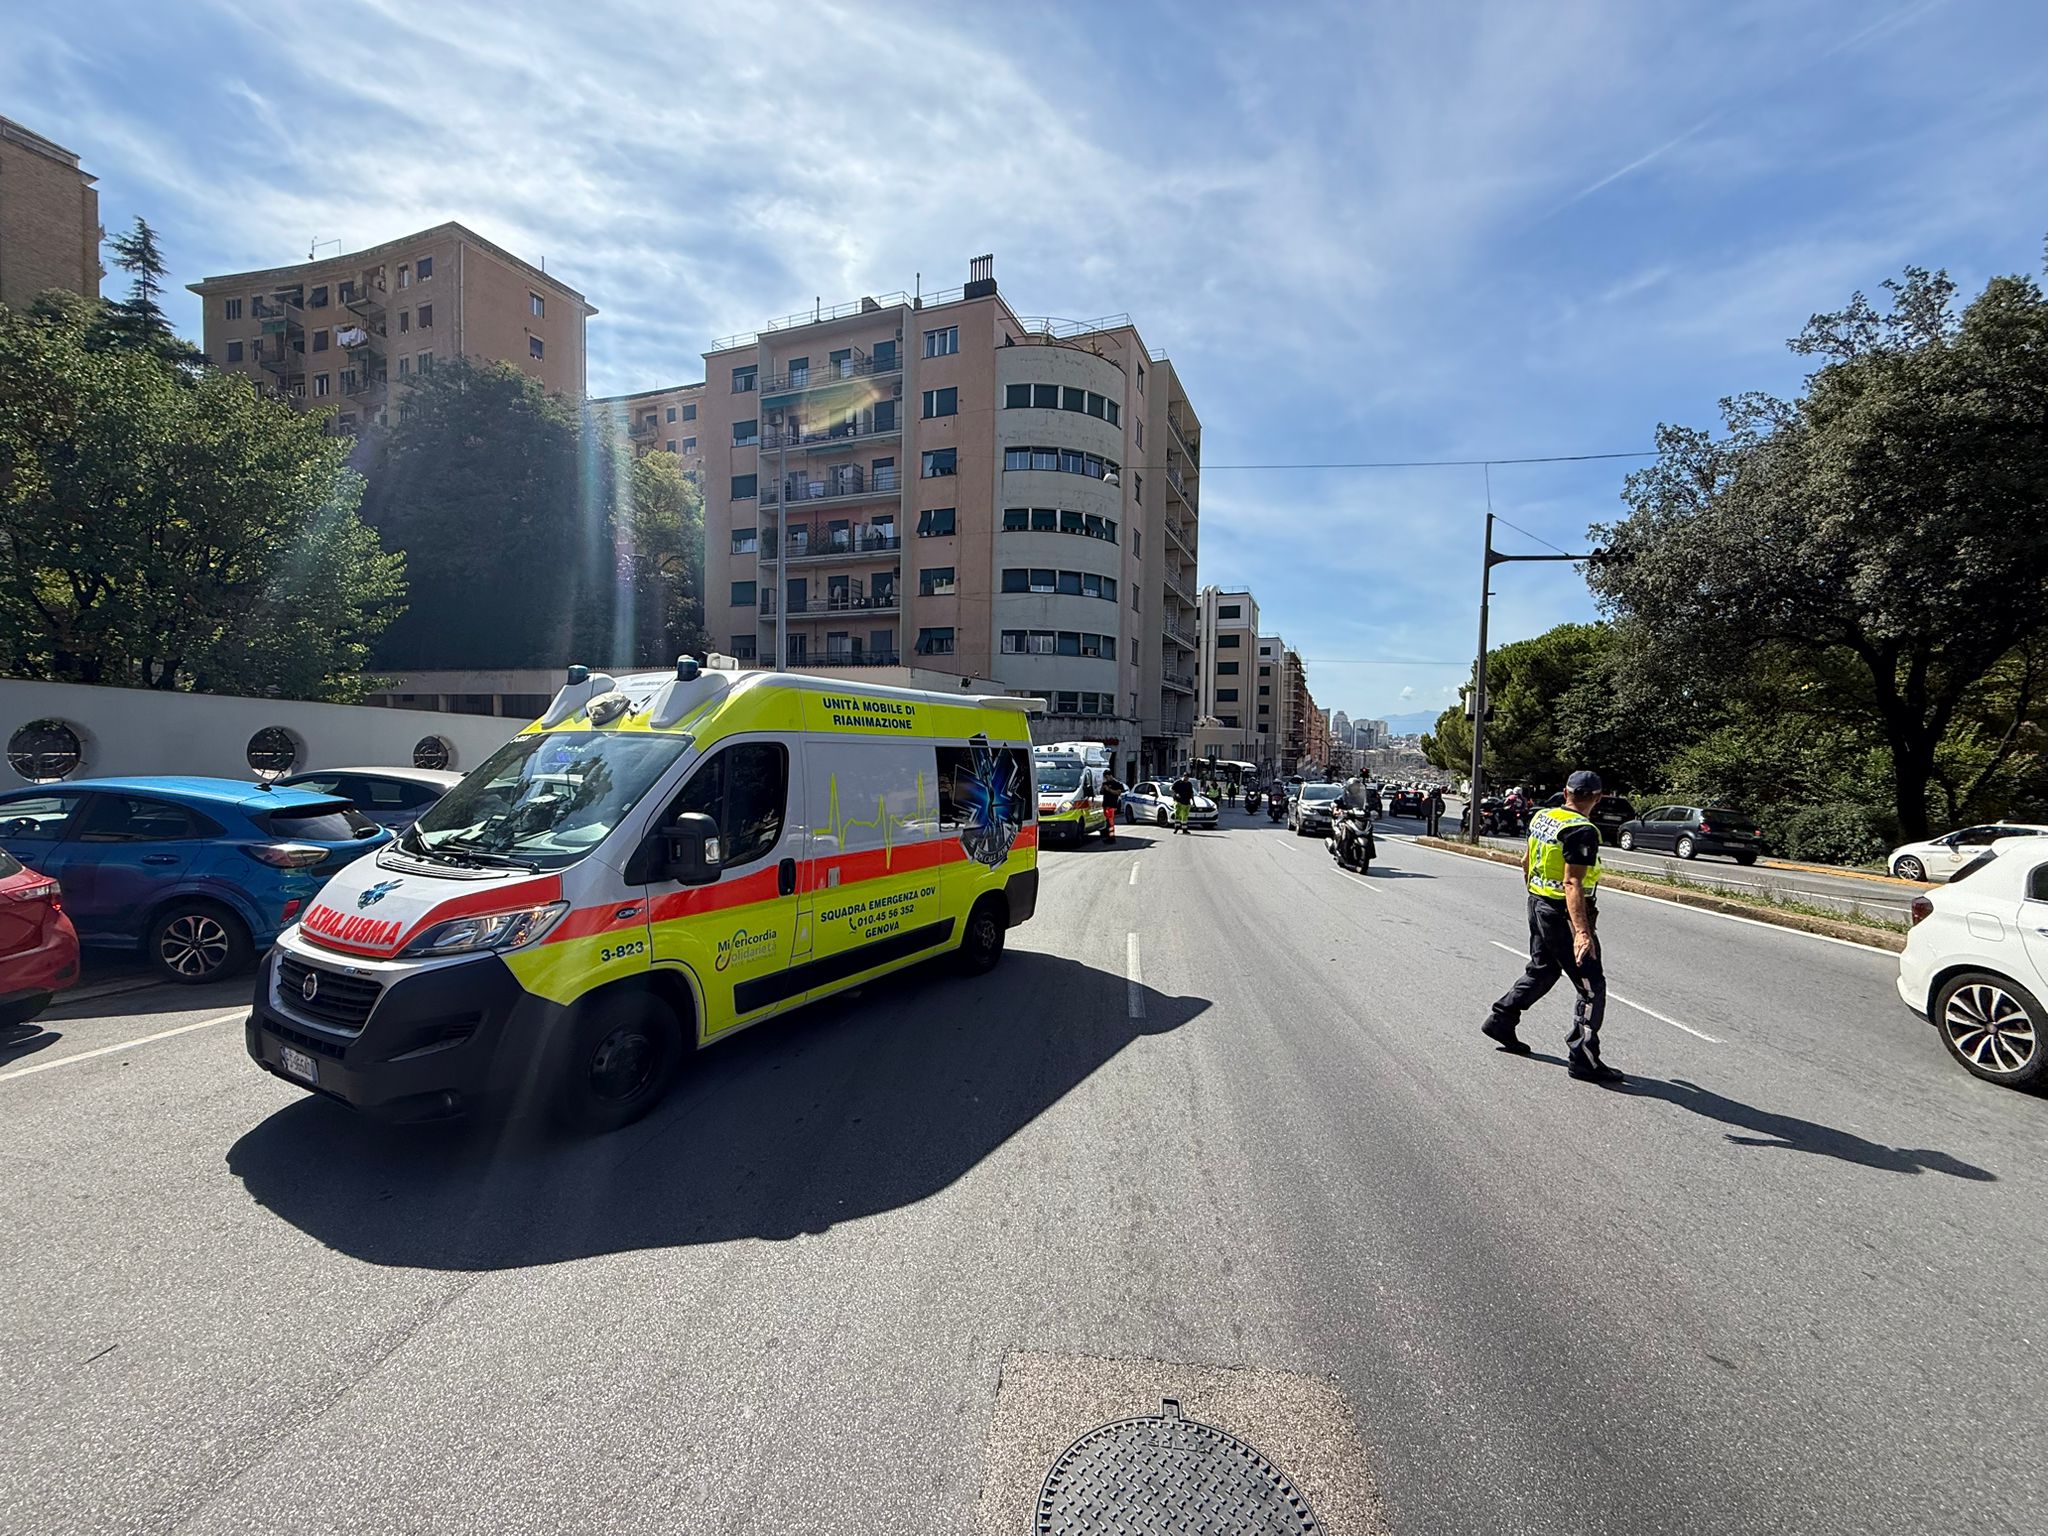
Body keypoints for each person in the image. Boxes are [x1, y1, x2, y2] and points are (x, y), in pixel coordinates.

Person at [1482, 769, 1622, 1084]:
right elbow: (1572, 882)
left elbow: (1526, 861)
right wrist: (1582, 933)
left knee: (1543, 970)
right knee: (1591, 987)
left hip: (1538, 902)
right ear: (1598, 798)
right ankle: (1584, 1058)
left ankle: (1502, 1019)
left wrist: (1534, 896)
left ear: (1566, 791)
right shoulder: (1581, 830)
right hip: (1563, 912)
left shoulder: (1543, 817)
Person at [1101, 770, 1124, 835]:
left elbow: (1118, 793)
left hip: (1111, 805)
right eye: (1105, 777)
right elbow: (1101, 792)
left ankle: (1111, 836)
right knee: (1107, 821)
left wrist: (1108, 789)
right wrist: (1103, 788)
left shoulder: (1117, 784)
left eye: (1107, 777)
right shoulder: (1105, 784)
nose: (1106, 779)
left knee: (1110, 822)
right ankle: (1106, 835)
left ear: (1111, 776)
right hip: (1105, 804)